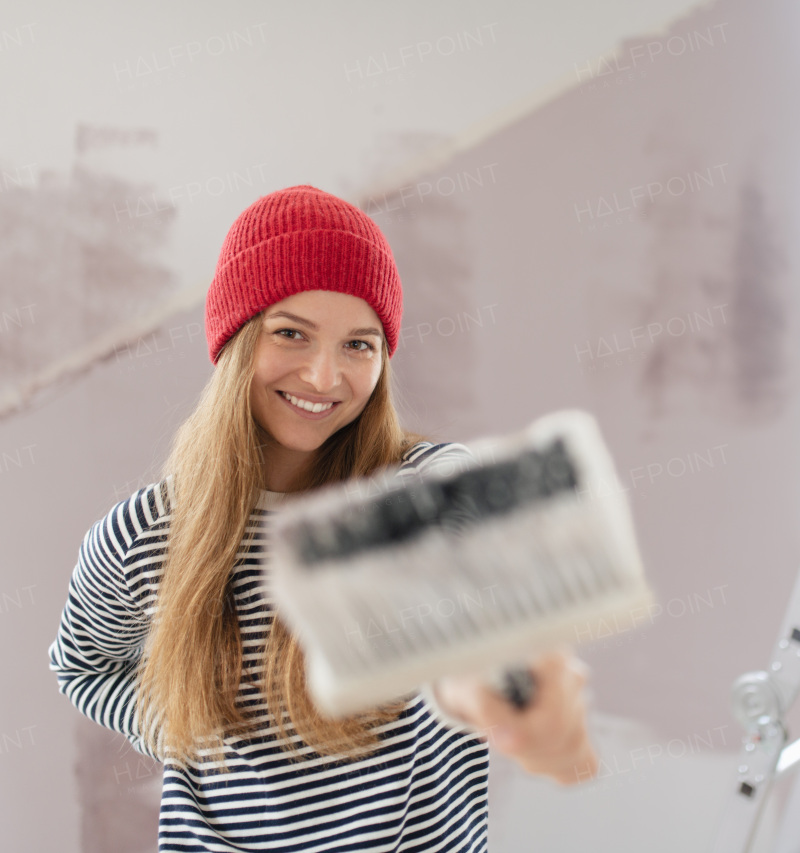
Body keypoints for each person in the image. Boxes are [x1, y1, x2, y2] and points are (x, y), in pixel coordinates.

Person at [47, 185, 598, 852]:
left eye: (359, 345)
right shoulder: (145, 533)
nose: (324, 375)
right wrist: (173, 723)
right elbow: (82, 665)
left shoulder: (411, 490)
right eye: (291, 333)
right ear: (236, 341)